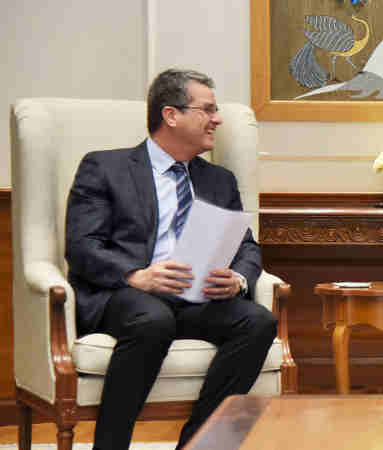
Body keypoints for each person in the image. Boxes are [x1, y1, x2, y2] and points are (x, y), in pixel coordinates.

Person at [65, 69, 277, 450]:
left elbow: (247, 246)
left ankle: (204, 445)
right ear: (171, 115)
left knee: (258, 321)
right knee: (152, 320)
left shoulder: (219, 180)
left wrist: (240, 280)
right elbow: (81, 247)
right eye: (208, 109)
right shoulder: (105, 168)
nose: (218, 119)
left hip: (195, 299)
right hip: (127, 296)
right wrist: (137, 276)